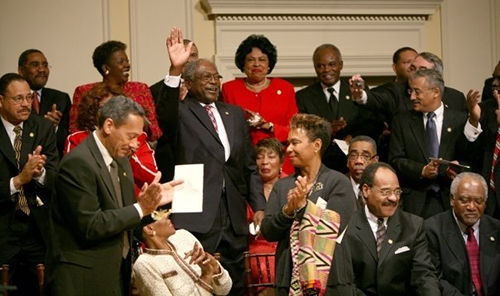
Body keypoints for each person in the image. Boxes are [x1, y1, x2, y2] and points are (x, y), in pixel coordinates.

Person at [155, 28, 267, 296]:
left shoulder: (234, 114)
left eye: (216, 77)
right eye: (205, 77)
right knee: (198, 284)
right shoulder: (181, 113)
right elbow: (164, 115)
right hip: (197, 216)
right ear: (189, 83)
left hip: (234, 217)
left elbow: (248, 167)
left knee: (234, 284)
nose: (213, 82)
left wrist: (259, 206)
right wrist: (174, 69)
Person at [49, 96, 181, 295]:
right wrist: (140, 207)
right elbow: (91, 225)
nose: (136, 144)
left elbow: (125, 218)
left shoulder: (121, 161)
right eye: (131, 136)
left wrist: (150, 207)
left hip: (116, 273)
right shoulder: (78, 163)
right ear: (109, 125)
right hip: (83, 280)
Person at [261, 113, 356, 295]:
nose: (288, 149)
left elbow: (333, 226)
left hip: (332, 282)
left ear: (317, 145)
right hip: (288, 281)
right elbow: (267, 231)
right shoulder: (282, 186)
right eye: (288, 143)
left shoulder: (338, 182)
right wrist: (287, 211)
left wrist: (303, 206)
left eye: (295, 143)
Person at [388, 69, 479, 218]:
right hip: (414, 202)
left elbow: (470, 156)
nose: (412, 97)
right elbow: (395, 159)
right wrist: (422, 170)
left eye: (417, 92)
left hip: (450, 200)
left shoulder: (460, 119)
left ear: (435, 92)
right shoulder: (402, 121)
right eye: (410, 91)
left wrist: (457, 169)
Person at [341, 162, 440, 295]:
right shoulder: (346, 226)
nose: (393, 198)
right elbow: (345, 282)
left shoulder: (413, 225)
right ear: (366, 190)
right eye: (385, 191)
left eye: (397, 192)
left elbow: (423, 275)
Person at [0, 73, 58, 295]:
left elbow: (56, 178)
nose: (26, 104)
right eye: (18, 99)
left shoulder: (41, 127)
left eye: (29, 97)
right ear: (1, 100)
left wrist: (39, 173)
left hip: (37, 228)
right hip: (4, 227)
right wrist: (18, 180)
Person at [296, 44, 382, 173]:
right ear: (315, 68)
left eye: (332, 64)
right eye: (320, 66)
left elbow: (371, 123)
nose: (326, 70)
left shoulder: (356, 90)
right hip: (321, 164)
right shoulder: (303, 97)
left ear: (340, 65)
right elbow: (302, 132)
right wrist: (328, 129)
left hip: (355, 164)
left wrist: (352, 139)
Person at [64, 83, 158, 196]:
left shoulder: (135, 137)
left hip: (134, 203)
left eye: (119, 108)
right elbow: (78, 181)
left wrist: (128, 155)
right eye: (106, 107)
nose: (113, 112)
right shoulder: (77, 139)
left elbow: (152, 178)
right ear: (93, 110)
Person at [221, 34, 297, 174]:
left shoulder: (285, 88)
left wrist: (268, 126)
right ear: (243, 64)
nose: (257, 64)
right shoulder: (229, 89)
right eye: (251, 60)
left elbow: (295, 130)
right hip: (243, 162)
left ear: (269, 64)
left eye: (262, 60)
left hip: (280, 162)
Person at [69, 40, 161, 142]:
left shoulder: (140, 89)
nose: (127, 65)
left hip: (136, 149)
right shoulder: (85, 91)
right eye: (121, 62)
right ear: (105, 68)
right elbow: (75, 131)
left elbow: (155, 132)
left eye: (127, 61)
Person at [424, 172, 500, 296]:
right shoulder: (432, 229)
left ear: (485, 203)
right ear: (452, 200)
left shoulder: (497, 229)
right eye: (465, 200)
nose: (471, 207)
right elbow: (433, 278)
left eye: (478, 201)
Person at [132, 212, 232, 296]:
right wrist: (206, 276)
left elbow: (224, 290)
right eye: (160, 214)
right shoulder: (144, 264)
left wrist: (214, 266)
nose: (168, 215)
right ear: (149, 229)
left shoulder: (183, 236)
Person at [150, 33, 199, 182]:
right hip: (170, 165)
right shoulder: (156, 90)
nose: (189, 60)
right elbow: (160, 128)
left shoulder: (208, 90)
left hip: (201, 163)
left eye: (193, 55)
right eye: (185, 55)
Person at [17, 49, 71, 158]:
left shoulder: (61, 98)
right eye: (35, 65)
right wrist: (45, 126)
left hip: (54, 165)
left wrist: (54, 128)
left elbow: (67, 141)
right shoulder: (12, 100)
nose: (42, 69)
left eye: (45, 65)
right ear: (21, 70)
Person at [246, 138, 284, 293]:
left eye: (271, 156)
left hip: (283, 249)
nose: (265, 162)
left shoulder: (293, 186)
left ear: (281, 162)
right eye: (260, 156)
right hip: (255, 253)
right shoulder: (245, 190)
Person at [346, 135, 379, 208]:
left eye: (366, 156)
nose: (358, 161)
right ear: (348, 161)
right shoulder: (337, 185)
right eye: (353, 155)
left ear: (375, 161)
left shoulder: (382, 188)